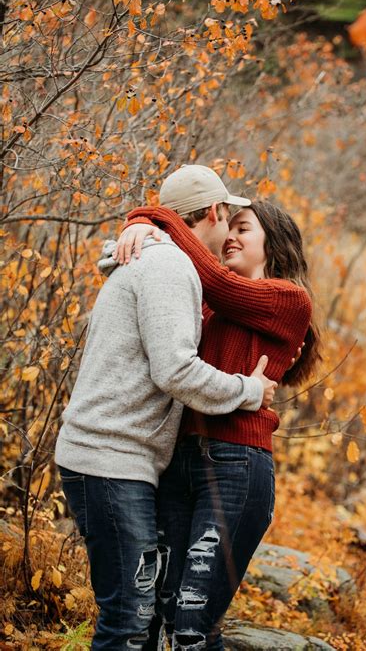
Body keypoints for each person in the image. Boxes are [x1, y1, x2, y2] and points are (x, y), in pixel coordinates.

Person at [54, 164, 279, 651]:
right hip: (110, 460)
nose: (229, 234)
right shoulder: (169, 266)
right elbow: (175, 371)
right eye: (230, 219)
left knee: (138, 619)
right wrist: (249, 391)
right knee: (129, 622)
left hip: (116, 459)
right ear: (215, 212)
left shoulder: (156, 259)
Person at [116, 186, 321, 650]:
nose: (230, 237)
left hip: (237, 466)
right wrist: (145, 231)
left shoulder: (289, 299)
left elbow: (218, 282)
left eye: (243, 228)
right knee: (156, 615)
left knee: (192, 624)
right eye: (228, 227)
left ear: (276, 242)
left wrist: (151, 217)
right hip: (178, 463)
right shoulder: (211, 304)